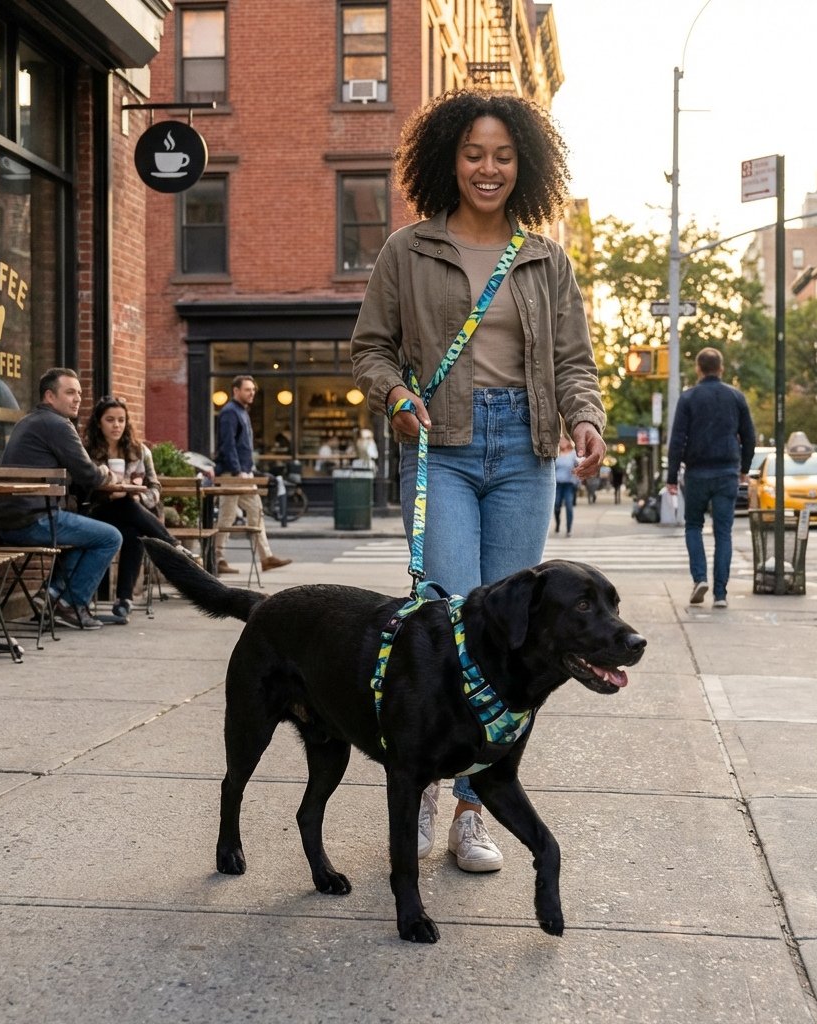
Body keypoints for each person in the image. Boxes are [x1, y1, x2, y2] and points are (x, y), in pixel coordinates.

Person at [351, 89, 606, 874]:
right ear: (447, 161)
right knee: (446, 624)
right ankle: (425, 779)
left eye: (501, 155)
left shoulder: (543, 259)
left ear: (523, 164)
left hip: (524, 453)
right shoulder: (408, 250)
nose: (487, 168)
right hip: (443, 449)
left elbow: (572, 362)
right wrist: (394, 394)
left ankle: (474, 808)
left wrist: (585, 417)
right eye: (472, 154)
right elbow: (370, 350)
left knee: (513, 643)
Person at [0, 368, 123, 630]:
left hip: (8, 523)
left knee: (86, 534)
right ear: (50, 396)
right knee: (110, 537)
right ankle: (71, 604)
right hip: (34, 521)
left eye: (80, 393)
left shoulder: (30, 421)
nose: (78, 399)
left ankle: (51, 595)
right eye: (70, 392)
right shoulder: (57, 424)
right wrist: (109, 475)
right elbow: (88, 474)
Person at [82, 395, 194, 620]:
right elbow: (83, 491)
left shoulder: (139, 451)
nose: (116, 425)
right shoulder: (87, 451)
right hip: (98, 514)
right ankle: (172, 546)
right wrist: (110, 493)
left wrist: (138, 496)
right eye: (110, 420)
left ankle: (124, 601)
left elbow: (155, 487)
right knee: (125, 506)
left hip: (130, 513)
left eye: (121, 420)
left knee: (134, 533)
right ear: (99, 422)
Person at [666, 347, 755, 609]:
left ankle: (700, 579)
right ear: (721, 368)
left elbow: (677, 440)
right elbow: (749, 437)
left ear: (698, 368)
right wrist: (744, 468)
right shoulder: (736, 397)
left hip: (696, 473)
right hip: (727, 472)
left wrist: (671, 477)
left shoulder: (688, 398)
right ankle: (720, 594)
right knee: (723, 532)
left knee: (693, 525)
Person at [213, 374, 291, 576]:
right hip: (234, 474)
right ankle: (217, 558)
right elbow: (227, 445)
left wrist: (248, 470)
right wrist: (239, 471)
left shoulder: (241, 412)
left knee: (255, 511)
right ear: (236, 391)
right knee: (227, 516)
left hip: (243, 473)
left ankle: (265, 558)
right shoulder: (230, 412)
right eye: (247, 389)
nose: (251, 393)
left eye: (253, 390)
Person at [553, 435, 578, 536]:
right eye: (560, 440)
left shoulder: (573, 454)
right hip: (557, 485)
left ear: (568, 442)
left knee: (569, 505)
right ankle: (558, 524)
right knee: (556, 506)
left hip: (569, 484)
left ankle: (568, 529)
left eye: (563, 440)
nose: (561, 442)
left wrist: (576, 471)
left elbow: (578, 466)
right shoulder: (556, 454)